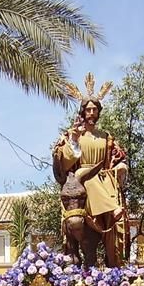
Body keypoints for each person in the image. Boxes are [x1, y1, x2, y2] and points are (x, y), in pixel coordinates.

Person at [54, 76, 129, 267]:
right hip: (79, 180)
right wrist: (74, 140)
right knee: (88, 180)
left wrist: (121, 167)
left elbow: (118, 158)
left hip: (106, 180)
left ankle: (114, 256)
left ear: (98, 112)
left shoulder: (106, 137)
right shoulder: (72, 134)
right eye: (88, 109)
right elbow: (61, 160)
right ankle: (112, 209)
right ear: (82, 111)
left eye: (94, 109)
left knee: (97, 181)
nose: (91, 112)